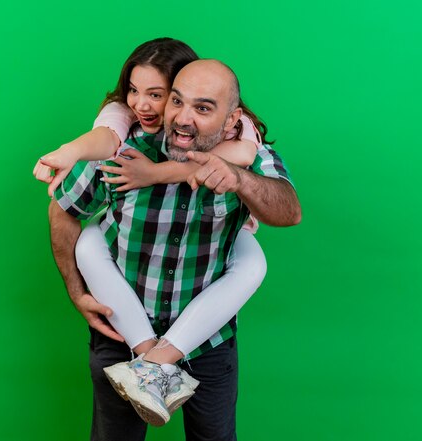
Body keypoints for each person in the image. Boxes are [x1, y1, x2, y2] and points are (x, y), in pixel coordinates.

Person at [48, 56, 301, 440]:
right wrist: (76, 290)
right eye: (177, 101)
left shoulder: (247, 154)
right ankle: (152, 357)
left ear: (233, 121)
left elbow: (288, 210)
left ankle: (154, 361)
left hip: (208, 346)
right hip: (120, 337)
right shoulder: (123, 150)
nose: (183, 118)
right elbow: (63, 207)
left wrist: (239, 180)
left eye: (203, 108)